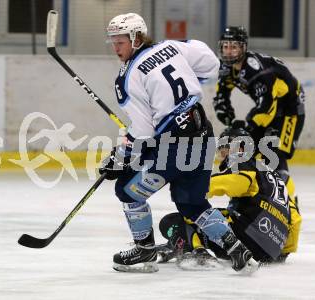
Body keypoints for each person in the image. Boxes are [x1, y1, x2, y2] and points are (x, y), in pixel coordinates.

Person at [99, 13, 257, 274]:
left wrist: (120, 158)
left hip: (173, 147)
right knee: (192, 203)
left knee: (127, 190)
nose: (116, 48)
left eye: (121, 41)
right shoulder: (170, 47)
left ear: (137, 38)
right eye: (113, 42)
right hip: (203, 136)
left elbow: (143, 131)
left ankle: (145, 250)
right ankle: (237, 250)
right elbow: (209, 62)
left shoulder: (127, 79)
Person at [157, 126, 302, 267]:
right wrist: (279, 252)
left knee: (173, 221)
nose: (222, 153)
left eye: (225, 146)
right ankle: (180, 242)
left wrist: (193, 187)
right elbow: (295, 219)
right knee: (209, 216)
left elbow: (237, 183)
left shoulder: (242, 162)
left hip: (246, 238)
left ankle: (193, 250)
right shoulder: (272, 175)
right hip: (270, 252)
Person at [213, 26, 305, 199]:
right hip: (271, 105)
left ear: (243, 48)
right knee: (248, 146)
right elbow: (221, 96)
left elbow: (267, 106)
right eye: (226, 46)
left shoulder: (256, 70)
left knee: (274, 150)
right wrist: (228, 118)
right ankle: (251, 190)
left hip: (290, 109)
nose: (229, 51)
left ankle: (285, 199)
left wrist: (249, 125)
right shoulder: (227, 69)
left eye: (234, 47)